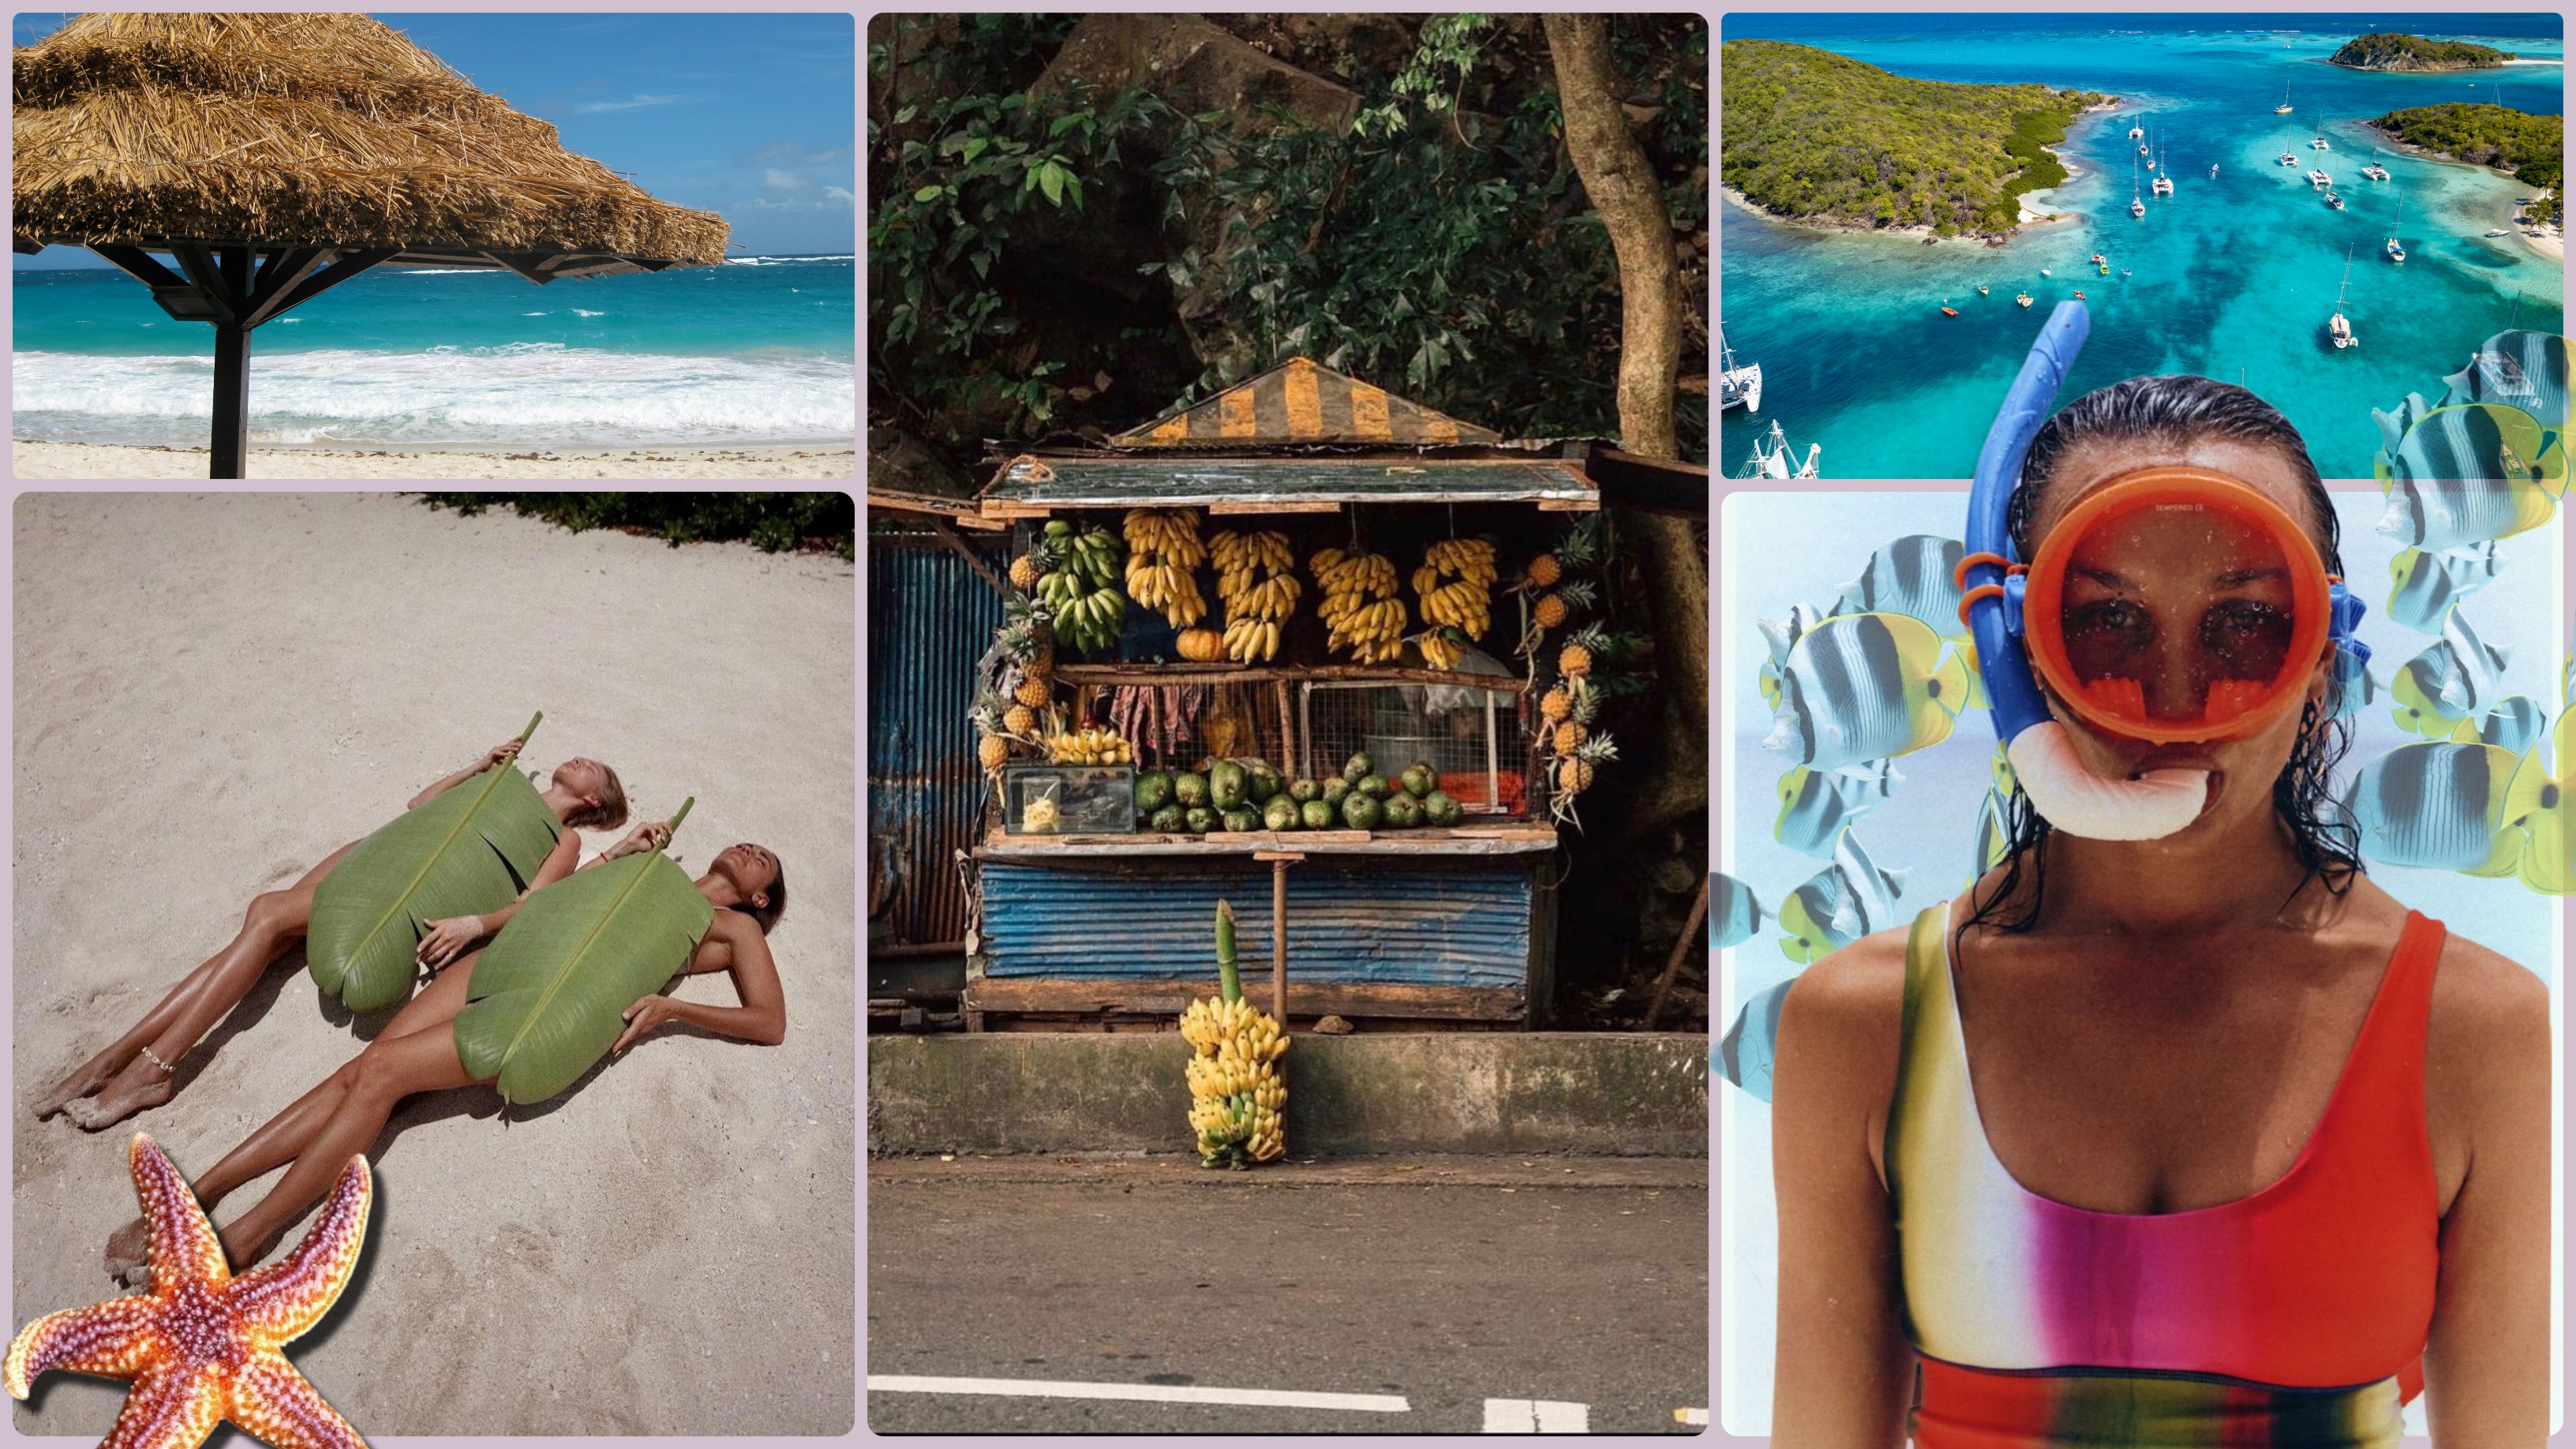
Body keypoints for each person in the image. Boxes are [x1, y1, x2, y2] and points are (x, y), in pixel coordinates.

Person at [1769, 372, 2548, 1447]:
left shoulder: (2478, 1029)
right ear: (2015, 651)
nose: (2177, 708)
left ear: (2324, 651)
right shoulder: (1861, 1024)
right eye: (2109, 623)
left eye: (2243, 625)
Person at [104, 829, 786, 1279]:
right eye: (749, 843)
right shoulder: (647, 867)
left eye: (764, 861)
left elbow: (769, 1021)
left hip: (546, 1001)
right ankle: (204, 1195)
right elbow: (547, 905)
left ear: (760, 896)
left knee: (379, 1073)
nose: (750, 848)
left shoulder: (731, 929)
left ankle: (250, 1234)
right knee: (353, 1074)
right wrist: (618, 856)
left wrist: (672, 1007)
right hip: (502, 958)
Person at [33, 736, 628, 1130]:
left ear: (593, 797)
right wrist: (480, 767)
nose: (578, 758)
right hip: (379, 859)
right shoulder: (503, 781)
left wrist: (475, 923)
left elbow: (530, 905)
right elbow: (421, 804)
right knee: (262, 936)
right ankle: (115, 1061)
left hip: (412, 896)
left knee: (268, 915)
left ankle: (152, 1065)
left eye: (590, 767)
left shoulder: (567, 842)